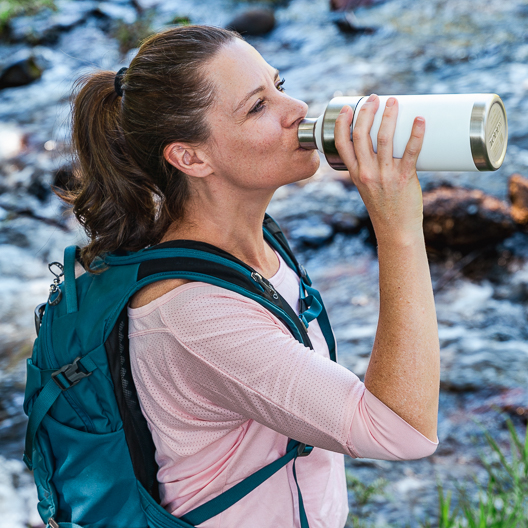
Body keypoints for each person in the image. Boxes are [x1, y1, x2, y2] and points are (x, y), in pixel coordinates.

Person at [67, 25, 439, 528]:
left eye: (280, 85)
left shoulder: (252, 242)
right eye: (257, 107)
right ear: (190, 157)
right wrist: (398, 229)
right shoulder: (192, 312)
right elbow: (401, 431)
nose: (299, 110)